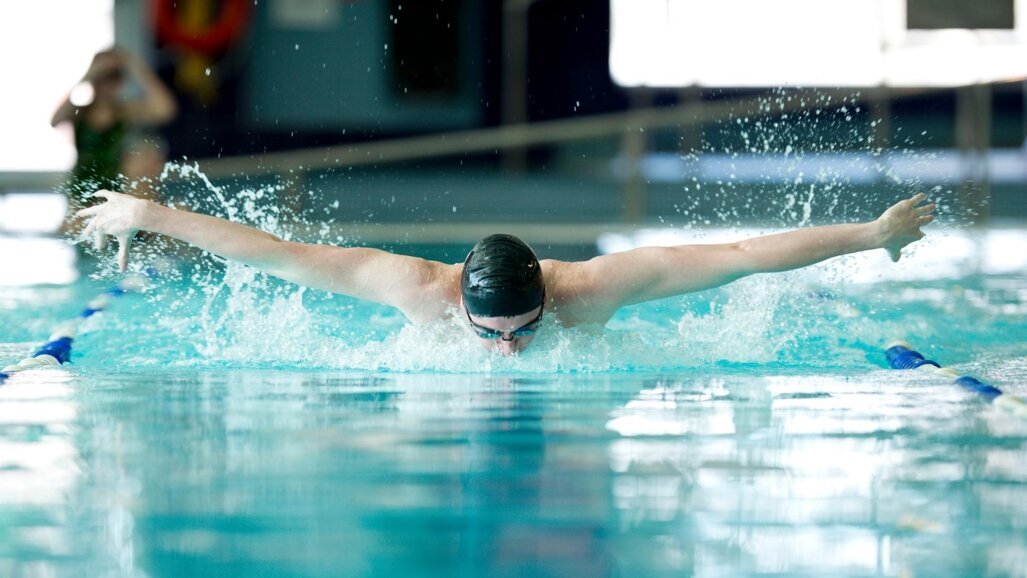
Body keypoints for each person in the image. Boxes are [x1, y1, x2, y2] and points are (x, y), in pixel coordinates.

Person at [76, 190, 935, 356]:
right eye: (488, 334)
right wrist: (150, 214)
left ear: (545, 297)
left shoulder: (590, 290)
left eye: (523, 331)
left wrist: (869, 234)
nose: (507, 351)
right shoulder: (414, 289)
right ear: (457, 298)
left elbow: (739, 259)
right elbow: (276, 254)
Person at [51, 48, 176, 212]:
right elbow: (55, 120)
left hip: (119, 191)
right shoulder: (79, 112)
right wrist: (89, 74)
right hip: (84, 193)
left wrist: (133, 65)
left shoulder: (126, 111)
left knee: (145, 156)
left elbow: (166, 110)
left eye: (113, 77)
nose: (107, 84)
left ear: (120, 81)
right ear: (94, 79)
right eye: (102, 77)